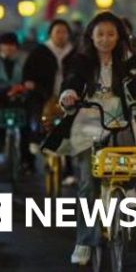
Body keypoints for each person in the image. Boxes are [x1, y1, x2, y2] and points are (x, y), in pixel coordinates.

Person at [47, 12, 136, 266]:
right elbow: (72, 80)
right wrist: (70, 94)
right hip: (90, 122)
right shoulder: (82, 61)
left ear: (119, 36)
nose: (105, 39)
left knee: (134, 152)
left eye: (111, 34)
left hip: (120, 120)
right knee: (88, 184)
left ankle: (126, 186)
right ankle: (84, 241)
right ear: (91, 37)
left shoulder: (128, 60)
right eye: (100, 34)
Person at [22, 20, 78, 181]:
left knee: (68, 130)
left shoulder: (74, 53)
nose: (61, 35)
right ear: (50, 34)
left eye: (64, 32)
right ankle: (35, 138)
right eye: (57, 32)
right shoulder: (40, 51)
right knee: (34, 111)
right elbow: (28, 72)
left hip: (67, 97)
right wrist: (29, 83)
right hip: (44, 94)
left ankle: (69, 170)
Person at [0, 32, 30, 170]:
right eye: (5, 44)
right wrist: (7, 90)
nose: (8, 48)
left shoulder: (24, 60)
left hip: (20, 98)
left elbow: (29, 78)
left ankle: (26, 159)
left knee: (26, 127)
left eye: (12, 45)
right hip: (2, 99)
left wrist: (22, 87)